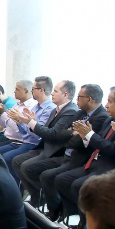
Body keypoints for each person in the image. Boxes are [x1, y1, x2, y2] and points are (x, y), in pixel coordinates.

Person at [54, 87, 115, 229]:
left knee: (79, 185)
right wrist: (85, 137)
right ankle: (79, 215)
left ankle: (89, 223)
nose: (106, 105)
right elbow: (98, 140)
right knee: (61, 179)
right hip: (94, 161)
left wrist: (89, 135)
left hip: (110, 166)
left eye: (109, 101)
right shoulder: (110, 119)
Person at [37, 84, 110, 226]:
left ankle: (67, 211)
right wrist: (73, 133)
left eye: (79, 97)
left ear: (89, 99)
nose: (76, 100)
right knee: (40, 172)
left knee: (53, 177)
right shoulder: (80, 112)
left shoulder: (101, 117)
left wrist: (73, 135)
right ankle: (58, 208)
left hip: (81, 158)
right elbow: (62, 133)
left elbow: (79, 142)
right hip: (67, 154)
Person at [12, 80, 79, 208]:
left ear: (66, 95)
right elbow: (46, 131)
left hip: (57, 151)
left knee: (27, 166)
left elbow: (53, 134)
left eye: (55, 91)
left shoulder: (70, 111)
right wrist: (33, 122)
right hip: (45, 147)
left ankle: (47, 196)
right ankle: (37, 194)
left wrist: (31, 123)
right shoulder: (56, 110)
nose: (52, 93)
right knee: (17, 161)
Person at [0, 78, 56, 180]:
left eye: (33, 89)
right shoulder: (35, 106)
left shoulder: (48, 108)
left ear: (41, 90)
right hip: (24, 140)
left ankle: (15, 188)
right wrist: (4, 115)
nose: (31, 91)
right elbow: (22, 129)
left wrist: (20, 121)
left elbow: (38, 135)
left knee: (8, 158)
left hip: (32, 143)